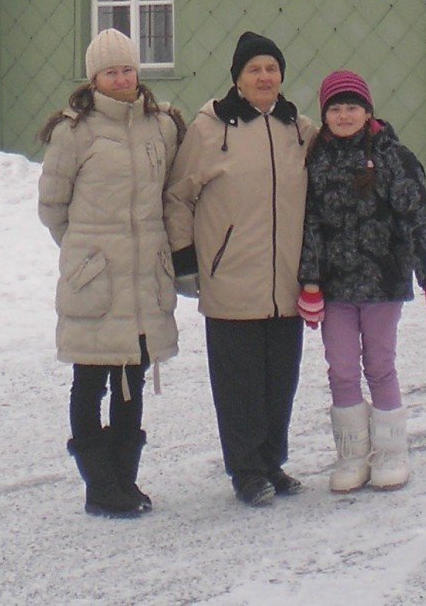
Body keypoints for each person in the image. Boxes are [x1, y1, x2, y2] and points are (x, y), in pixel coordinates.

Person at [38, 28, 185, 518]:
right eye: (110, 71)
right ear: (94, 77)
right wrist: (88, 255)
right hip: (96, 281)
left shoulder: (161, 126)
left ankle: (125, 478)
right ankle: (99, 484)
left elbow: (170, 197)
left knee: (133, 381)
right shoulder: (74, 131)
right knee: (91, 381)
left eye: (127, 68)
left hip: (145, 279)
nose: (121, 78)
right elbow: (53, 208)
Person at [165, 30, 316, 506]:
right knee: (238, 385)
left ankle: (273, 462)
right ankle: (246, 470)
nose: (265, 77)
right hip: (230, 279)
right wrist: (187, 262)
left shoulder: (300, 129)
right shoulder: (211, 128)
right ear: (237, 78)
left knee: (281, 380)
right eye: (255, 70)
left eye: (272, 69)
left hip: (286, 281)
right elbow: (178, 196)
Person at [295, 69, 426, 493]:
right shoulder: (317, 159)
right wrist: (310, 282)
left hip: (383, 284)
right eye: (335, 108)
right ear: (324, 114)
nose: (344, 115)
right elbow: (309, 225)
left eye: (352, 107)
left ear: (368, 112)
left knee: (380, 365)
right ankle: (352, 454)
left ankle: (390, 451)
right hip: (336, 288)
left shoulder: (392, 157)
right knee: (342, 368)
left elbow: (417, 221)